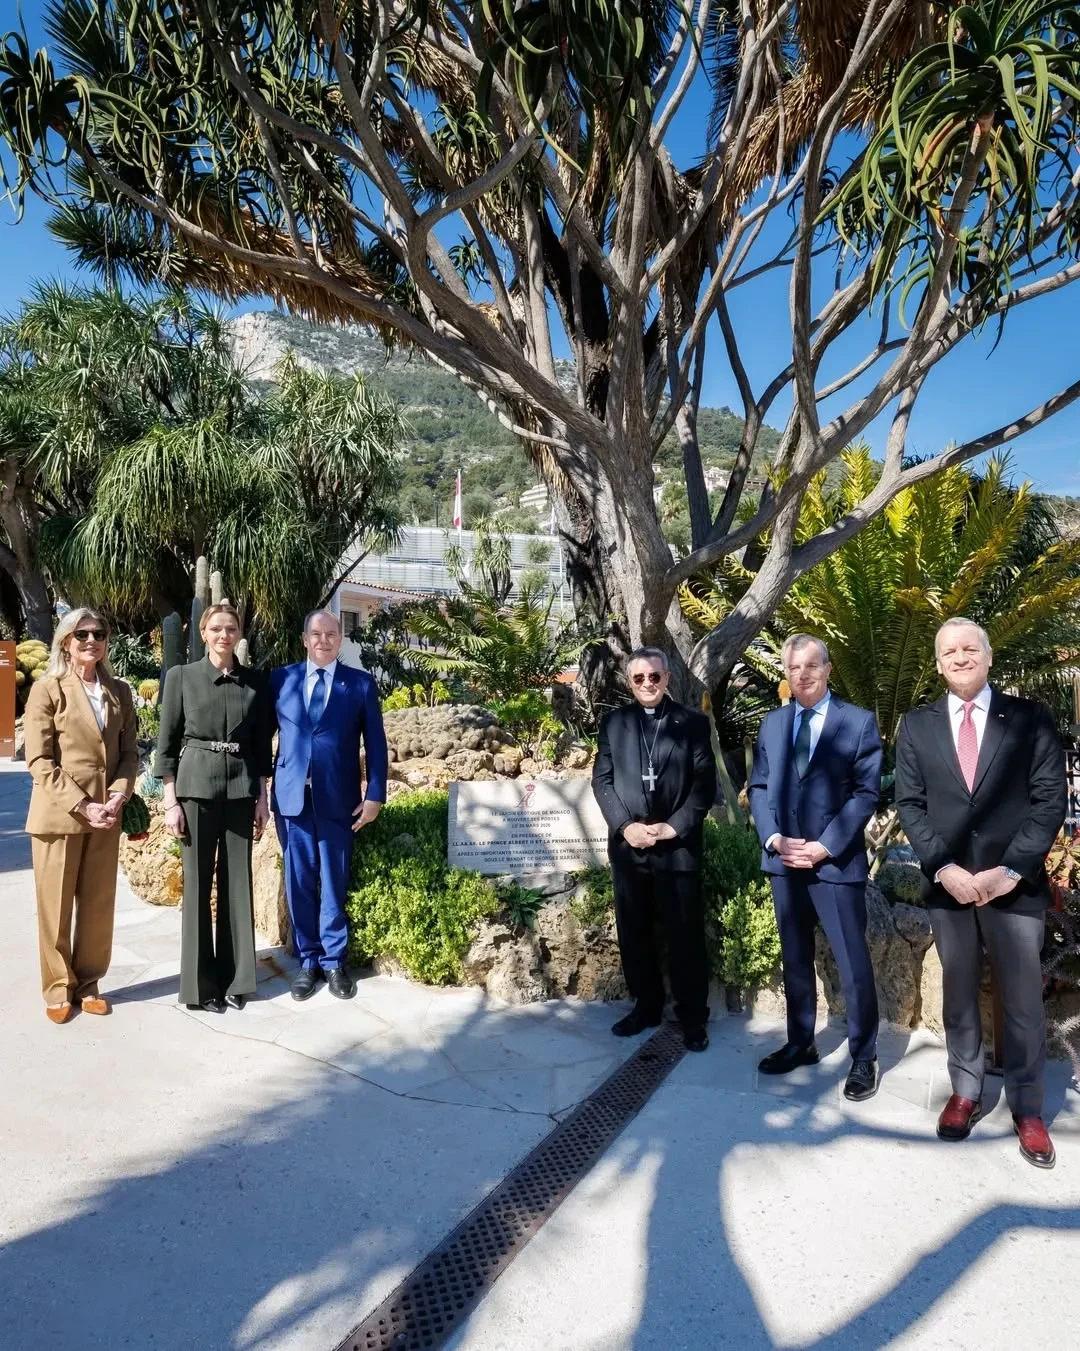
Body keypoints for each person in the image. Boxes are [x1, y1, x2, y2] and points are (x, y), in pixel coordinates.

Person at [895, 617, 1066, 1169]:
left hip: (1013, 888)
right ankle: (965, 1091)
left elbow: (1049, 800)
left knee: (1023, 1003)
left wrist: (1009, 871)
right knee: (959, 995)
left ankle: (1028, 1109)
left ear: (989, 657)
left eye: (970, 648)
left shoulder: (1030, 718)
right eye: (949, 651)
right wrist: (944, 868)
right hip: (950, 889)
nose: (960, 657)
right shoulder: (916, 726)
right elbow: (910, 805)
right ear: (938, 663)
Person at [748, 635, 883, 1101]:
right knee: (795, 959)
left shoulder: (858, 722)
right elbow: (758, 786)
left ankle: (864, 1056)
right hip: (784, 861)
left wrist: (825, 846)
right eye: (793, 667)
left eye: (811, 666)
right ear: (785, 674)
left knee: (852, 962)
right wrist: (773, 838)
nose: (802, 674)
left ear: (827, 668)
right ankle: (801, 1042)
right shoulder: (773, 724)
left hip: (835, 864)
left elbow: (866, 793)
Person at [591, 647, 717, 1052]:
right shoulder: (614, 723)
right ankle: (646, 1006)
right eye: (639, 678)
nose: (648, 684)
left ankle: (693, 1016)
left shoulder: (692, 722)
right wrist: (625, 827)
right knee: (635, 933)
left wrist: (673, 826)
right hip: (630, 848)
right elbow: (601, 780)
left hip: (676, 847)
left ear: (667, 678)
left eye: (655, 676)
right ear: (630, 683)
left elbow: (704, 785)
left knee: (685, 936)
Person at [155, 603, 273, 1013]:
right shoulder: (181, 677)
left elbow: (261, 747)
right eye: (217, 628)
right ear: (203, 633)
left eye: (231, 628)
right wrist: (170, 801)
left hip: (241, 789)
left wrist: (262, 799)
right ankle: (199, 986)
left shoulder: (256, 683)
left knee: (237, 884)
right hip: (195, 791)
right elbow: (167, 744)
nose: (225, 635)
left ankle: (237, 980)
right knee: (197, 885)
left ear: (240, 634)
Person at [23, 608, 138, 1023]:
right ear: (66, 642)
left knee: (97, 906)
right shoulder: (48, 689)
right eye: (83, 634)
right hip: (60, 814)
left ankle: (89, 984)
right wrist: (82, 803)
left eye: (100, 634)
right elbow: (39, 759)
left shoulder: (119, 691)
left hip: (105, 814)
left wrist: (119, 795)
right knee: (55, 907)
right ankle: (58, 987)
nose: (92, 641)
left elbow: (129, 753)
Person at [270, 610, 388, 1001]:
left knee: (334, 882)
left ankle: (334, 961)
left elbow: (376, 743)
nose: (324, 640)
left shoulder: (360, 684)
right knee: (299, 881)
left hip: (339, 800)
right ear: (305, 639)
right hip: (292, 800)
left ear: (340, 639)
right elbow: (259, 736)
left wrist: (375, 795)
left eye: (332, 634)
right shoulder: (281, 679)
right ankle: (308, 960)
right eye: (316, 634)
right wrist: (256, 787)